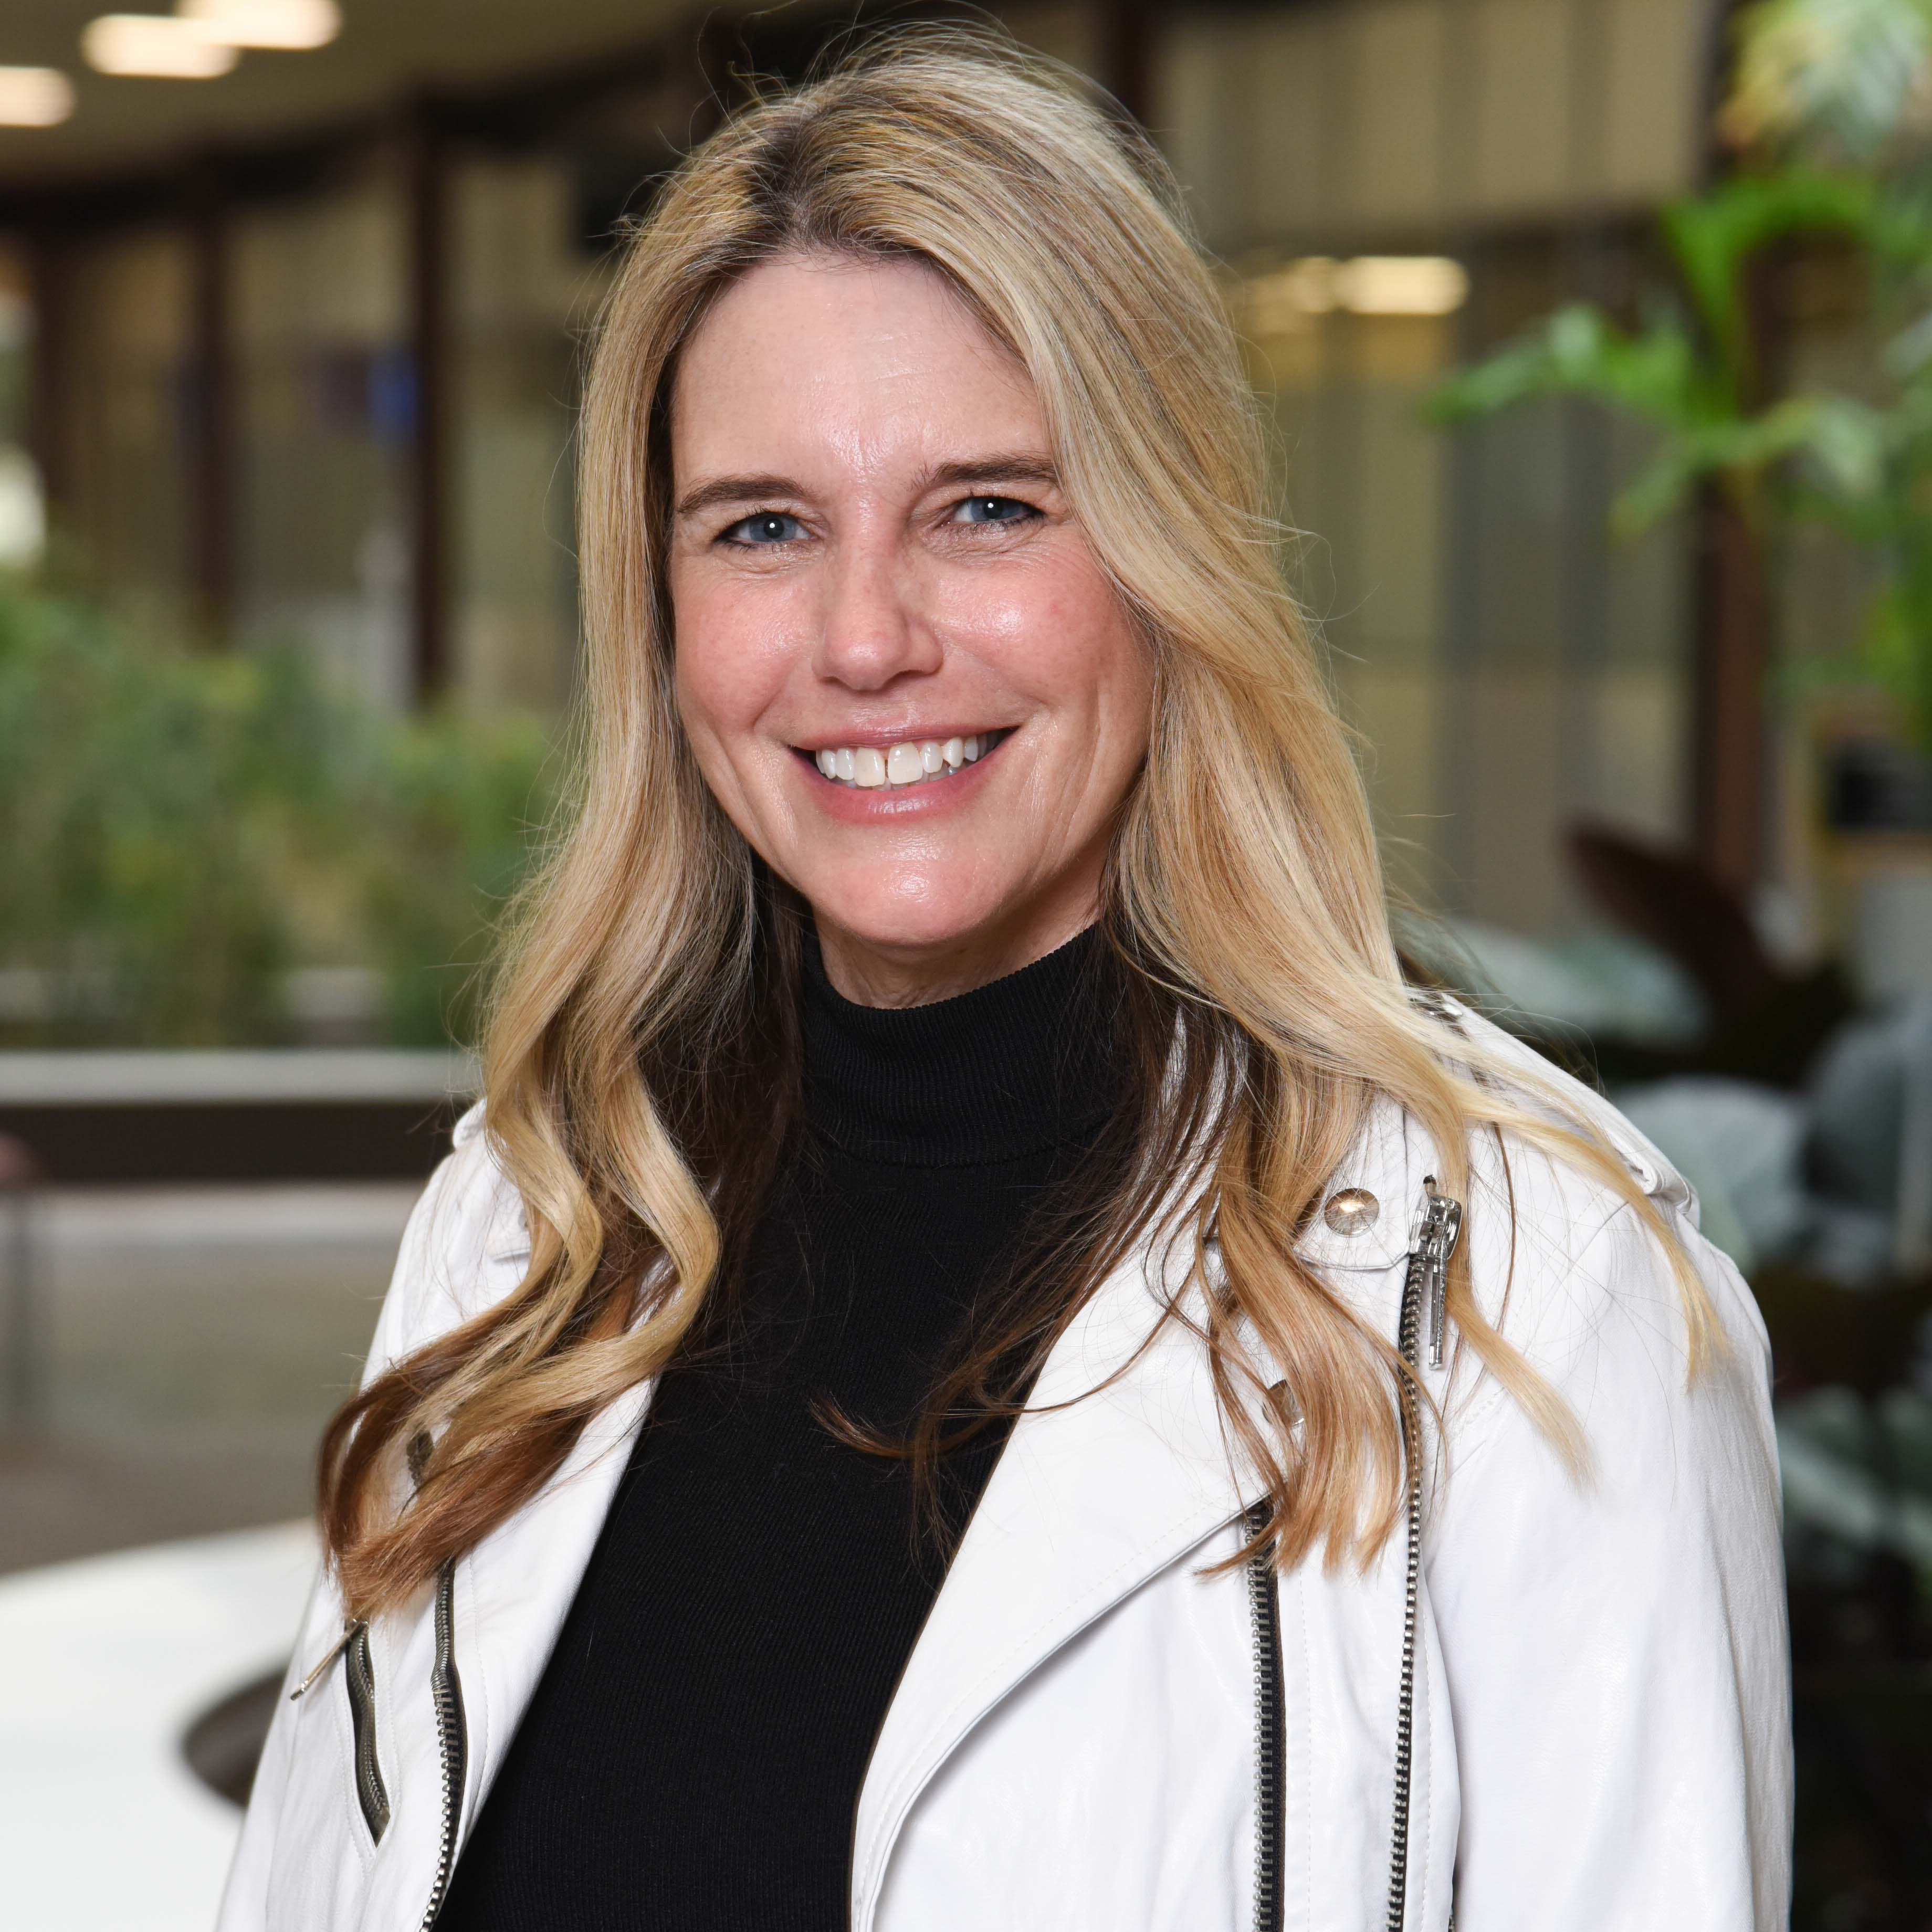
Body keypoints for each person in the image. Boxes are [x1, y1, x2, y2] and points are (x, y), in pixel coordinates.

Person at [219, 33, 1789, 1932]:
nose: (866, 638)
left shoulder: (1530, 1300)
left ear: (1164, 553)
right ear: (661, 604)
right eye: (766, 526)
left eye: (987, 508)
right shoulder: (533, 1226)